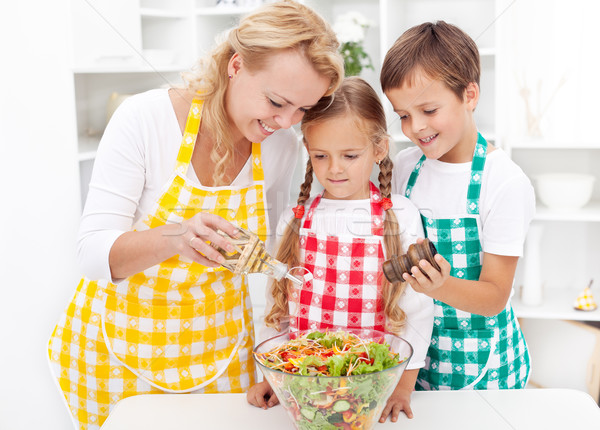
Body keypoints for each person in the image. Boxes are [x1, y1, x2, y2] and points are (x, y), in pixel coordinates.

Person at [47, 1, 344, 428]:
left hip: (220, 352)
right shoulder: (147, 119)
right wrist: (175, 238)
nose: (285, 121)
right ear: (236, 65)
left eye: (303, 110)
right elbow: (92, 254)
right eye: (277, 101)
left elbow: (274, 258)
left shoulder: (279, 147)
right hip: (120, 351)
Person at [247, 77, 434, 422]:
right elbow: (275, 307)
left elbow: (418, 310)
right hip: (304, 390)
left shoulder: (401, 216)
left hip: (372, 390)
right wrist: (272, 377)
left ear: (379, 149)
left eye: (350, 155)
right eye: (321, 155)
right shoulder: (295, 220)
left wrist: (404, 387)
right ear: (308, 150)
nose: (334, 168)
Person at [380, 21, 535, 391]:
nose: (415, 127)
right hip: (416, 360)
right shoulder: (405, 167)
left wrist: (441, 286)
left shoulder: (504, 182)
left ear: (469, 95)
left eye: (429, 110)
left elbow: (495, 297)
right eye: (403, 115)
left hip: (482, 368)